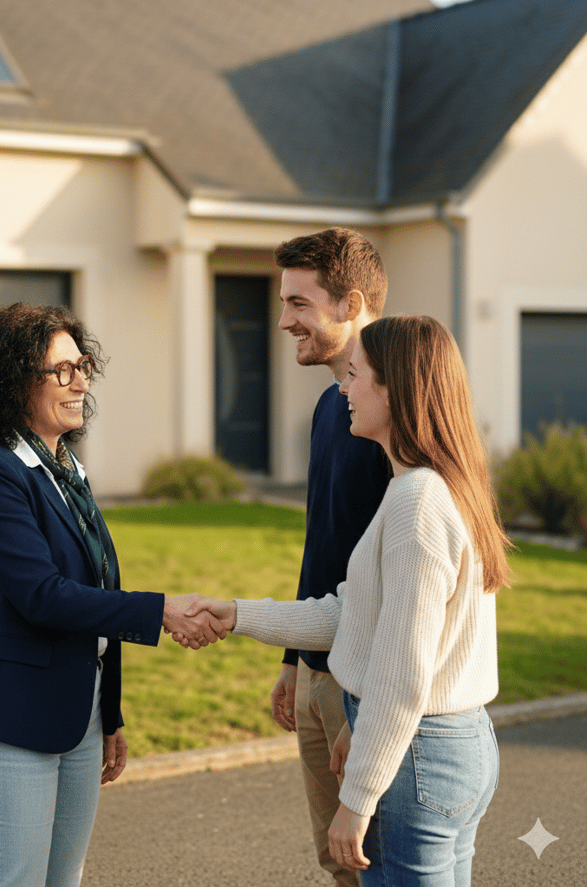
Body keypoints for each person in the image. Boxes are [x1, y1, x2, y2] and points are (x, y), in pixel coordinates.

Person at [184, 315, 512, 887]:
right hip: (452, 744)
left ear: (396, 389)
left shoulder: (417, 502)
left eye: (357, 376)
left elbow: (402, 671)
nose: (344, 389)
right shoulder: (434, 486)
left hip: (420, 757)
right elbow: (349, 615)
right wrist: (237, 614)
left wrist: (356, 798)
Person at [0, 302, 225, 887]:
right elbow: (44, 596)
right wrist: (163, 609)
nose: (79, 382)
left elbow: (98, 586)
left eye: (82, 365)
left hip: (79, 715)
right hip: (11, 718)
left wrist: (109, 712)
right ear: (13, 382)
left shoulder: (65, 467)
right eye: (60, 370)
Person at [272, 228, 391, 886]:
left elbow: (405, 581)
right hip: (319, 673)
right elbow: (324, 546)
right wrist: (296, 664)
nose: (283, 318)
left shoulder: (394, 415)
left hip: (368, 682)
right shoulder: (329, 407)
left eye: (297, 302)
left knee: (381, 864)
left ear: (348, 303)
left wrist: (365, 705)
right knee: (336, 862)